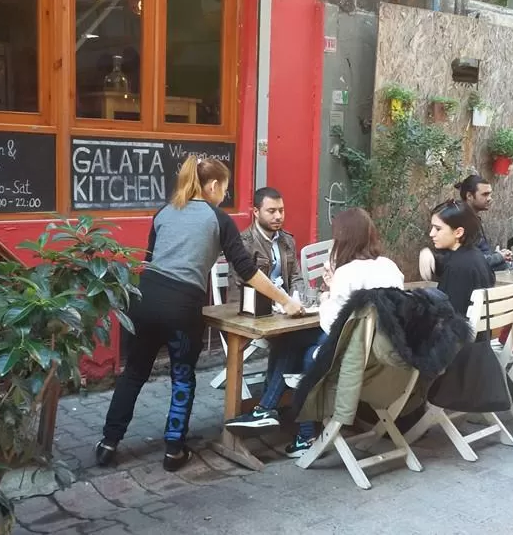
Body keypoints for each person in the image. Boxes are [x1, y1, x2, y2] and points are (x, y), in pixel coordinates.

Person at [96, 156, 303, 472]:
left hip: (144, 298)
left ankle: (108, 442)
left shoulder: (164, 213)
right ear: (214, 186)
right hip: (182, 305)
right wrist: (285, 300)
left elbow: (150, 260)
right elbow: (247, 270)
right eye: (225, 189)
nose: (224, 196)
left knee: (135, 373)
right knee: (182, 376)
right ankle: (174, 450)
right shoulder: (217, 219)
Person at [226, 208, 404, 458]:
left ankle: (276, 416)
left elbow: (333, 324)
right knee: (300, 345)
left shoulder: (347, 273)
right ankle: (283, 422)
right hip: (380, 355)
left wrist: (327, 292)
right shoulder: (389, 267)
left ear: (344, 239)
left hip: (353, 357)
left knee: (300, 348)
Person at [223, 187, 322, 430]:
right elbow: (240, 289)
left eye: (281, 210)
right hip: (258, 313)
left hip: (287, 312)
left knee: (304, 336)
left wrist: (298, 297)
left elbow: (297, 276)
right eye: (271, 211)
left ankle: (271, 407)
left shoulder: (287, 239)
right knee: (297, 339)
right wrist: (275, 304)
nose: (278, 216)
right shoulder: (243, 243)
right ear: (255, 212)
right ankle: (276, 408)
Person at [418, 200, 495, 316]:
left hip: (459, 331)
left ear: (458, 232)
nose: (431, 234)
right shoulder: (476, 255)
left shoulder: (457, 267)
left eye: (438, 229)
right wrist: (430, 256)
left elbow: (448, 317)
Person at [455, 174, 513, 271]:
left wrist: (498, 255)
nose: (490, 198)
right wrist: (499, 257)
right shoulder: (462, 222)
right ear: (469, 196)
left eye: (490, 194)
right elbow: (472, 261)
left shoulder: (473, 218)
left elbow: (482, 253)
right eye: (485, 194)